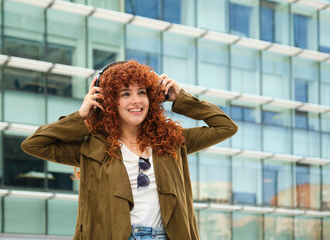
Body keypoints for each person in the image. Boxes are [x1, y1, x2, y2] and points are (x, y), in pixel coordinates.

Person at [21, 60, 238, 240]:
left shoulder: (172, 141)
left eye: (141, 92)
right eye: (125, 94)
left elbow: (226, 127)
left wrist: (181, 97)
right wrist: (82, 117)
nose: (136, 101)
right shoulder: (90, 148)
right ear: (108, 100)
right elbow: (33, 144)